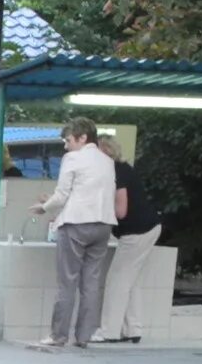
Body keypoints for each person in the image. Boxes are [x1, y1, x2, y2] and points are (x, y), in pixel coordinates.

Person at [31, 116, 116, 349]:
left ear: (82, 137)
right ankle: (84, 336)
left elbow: (62, 195)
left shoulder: (73, 158)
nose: (65, 146)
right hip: (103, 225)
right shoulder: (107, 161)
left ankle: (58, 335)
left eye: (68, 140)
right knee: (91, 283)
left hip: (76, 224)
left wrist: (43, 207)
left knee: (67, 281)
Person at [91, 135, 161, 345]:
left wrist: (98, 205)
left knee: (117, 281)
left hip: (136, 231)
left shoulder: (116, 173)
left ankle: (109, 332)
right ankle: (133, 329)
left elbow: (120, 211)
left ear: (104, 152)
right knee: (131, 281)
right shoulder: (123, 169)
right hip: (148, 227)